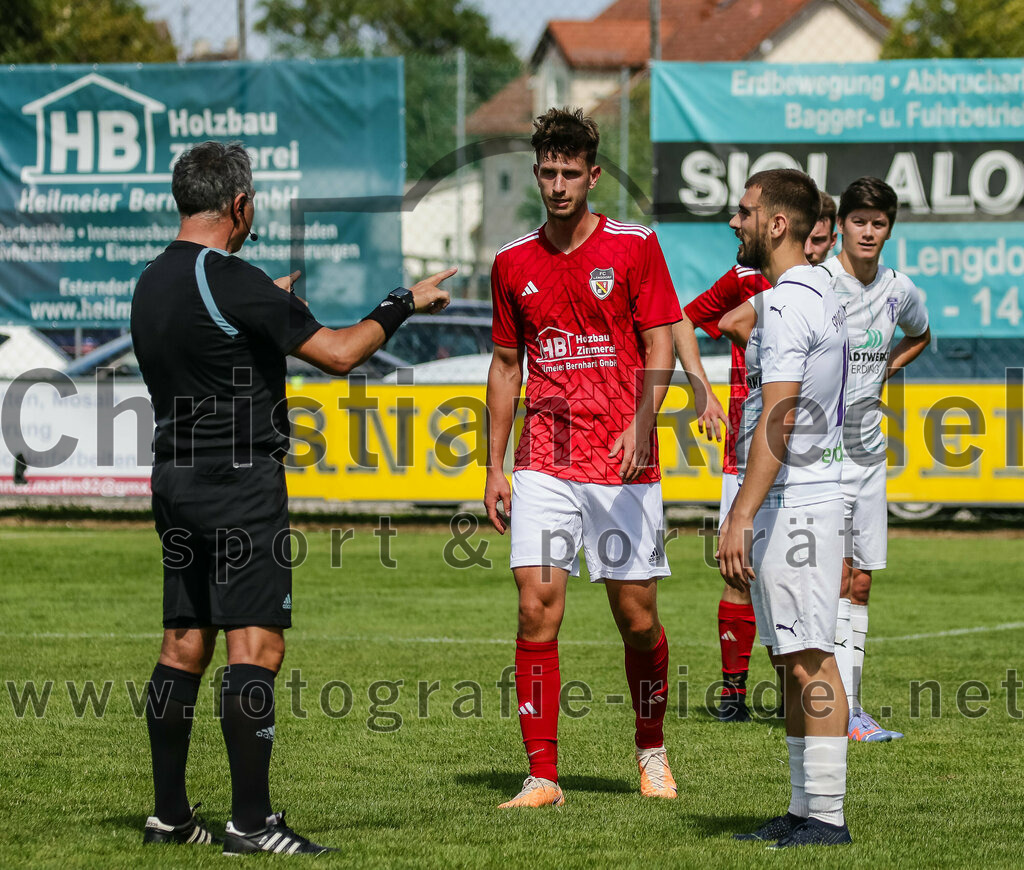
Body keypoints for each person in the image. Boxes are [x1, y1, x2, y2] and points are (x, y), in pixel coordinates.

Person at [131, 141, 453, 854]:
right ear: (239, 204)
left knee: (183, 643)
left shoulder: (153, 279)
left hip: (175, 478)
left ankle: (169, 817)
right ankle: (251, 823)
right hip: (239, 483)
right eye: (253, 207)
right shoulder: (231, 277)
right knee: (257, 646)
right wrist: (402, 302)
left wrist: (259, 310)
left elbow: (206, 345)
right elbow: (339, 353)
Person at [484, 108, 682, 808]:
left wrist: (642, 423)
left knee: (637, 619)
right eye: (549, 171)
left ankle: (651, 749)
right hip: (545, 458)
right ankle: (543, 776)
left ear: (593, 175)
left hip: (624, 460)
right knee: (536, 611)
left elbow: (660, 346)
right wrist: (494, 465)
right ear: (537, 173)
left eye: (572, 172)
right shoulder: (511, 262)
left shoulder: (634, 246)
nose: (559, 183)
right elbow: (507, 366)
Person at [717, 168, 852, 847]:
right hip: (794, 494)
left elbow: (779, 419)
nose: (733, 221)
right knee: (790, 656)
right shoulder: (804, 292)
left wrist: (740, 513)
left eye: (743, 212)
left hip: (798, 496)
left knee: (811, 659)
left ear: (775, 223)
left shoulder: (791, 302)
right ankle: (803, 807)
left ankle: (827, 816)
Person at [673, 190, 836, 722]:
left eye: (743, 214)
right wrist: (701, 388)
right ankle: (734, 692)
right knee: (740, 575)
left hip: (796, 466)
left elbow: (784, 408)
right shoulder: (750, 283)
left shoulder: (809, 293)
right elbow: (687, 320)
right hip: (749, 450)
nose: (733, 222)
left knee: (808, 638)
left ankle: (821, 794)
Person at [820, 177, 930, 742]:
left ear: (890, 229)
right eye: (858, 220)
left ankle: (853, 709)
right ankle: (832, 707)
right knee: (832, 577)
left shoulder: (898, 289)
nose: (867, 230)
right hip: (819, 455)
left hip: (867, 454)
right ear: (841, 224)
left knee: (860, 583)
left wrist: (886, 368)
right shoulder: (818, 284)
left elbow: (921, 334)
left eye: (878, 222)